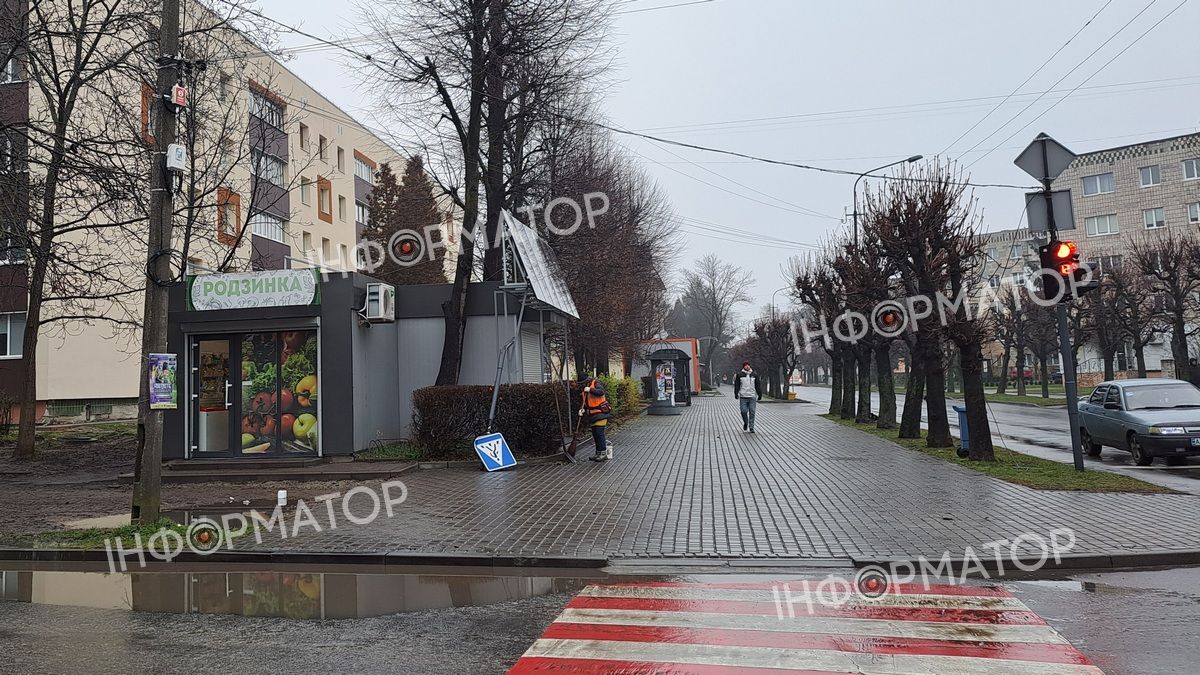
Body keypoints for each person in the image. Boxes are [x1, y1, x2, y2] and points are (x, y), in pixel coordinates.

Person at [579, 376, 613, 462]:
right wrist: (583, 409)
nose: (581, 385)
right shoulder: (584, 390)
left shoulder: (596, 383)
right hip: (593, 415)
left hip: (601, 413)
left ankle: (603, 453)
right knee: (595, 434)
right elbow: (587, 403)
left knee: (599, 433)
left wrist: (590, 390)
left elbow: (601, 392)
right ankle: (598, 453)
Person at [733, 361, 763, 432]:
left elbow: (757, 386)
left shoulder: (754, 375)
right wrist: (736, 394)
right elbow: (737, 385)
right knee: (743, 411)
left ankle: (751, 427)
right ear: (743, 366)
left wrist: (759, 394)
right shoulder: (739, 375)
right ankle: (746, 422)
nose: (747, 366)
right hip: (743, 396)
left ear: (750, 366)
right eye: (746, 365)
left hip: (752, 396)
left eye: (748, 365)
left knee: (752, 412)